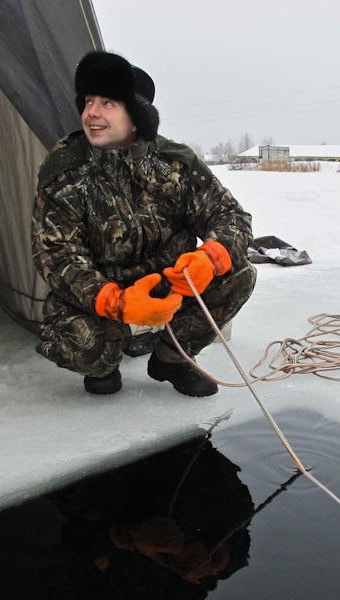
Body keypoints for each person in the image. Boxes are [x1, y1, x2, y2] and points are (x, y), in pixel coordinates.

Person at [32, 51, 256, 396]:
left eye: (107, 103)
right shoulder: (66, 169)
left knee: (239, 274)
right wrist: (114, 302)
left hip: (169, 284)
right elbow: (57, 256)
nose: (91, 112)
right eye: (89, 101)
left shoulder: (175, 163)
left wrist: (210, 257)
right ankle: (106, 358)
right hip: (104, 294)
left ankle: (172, 358)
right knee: (87, 349)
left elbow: (231, 216)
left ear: (135, 118)